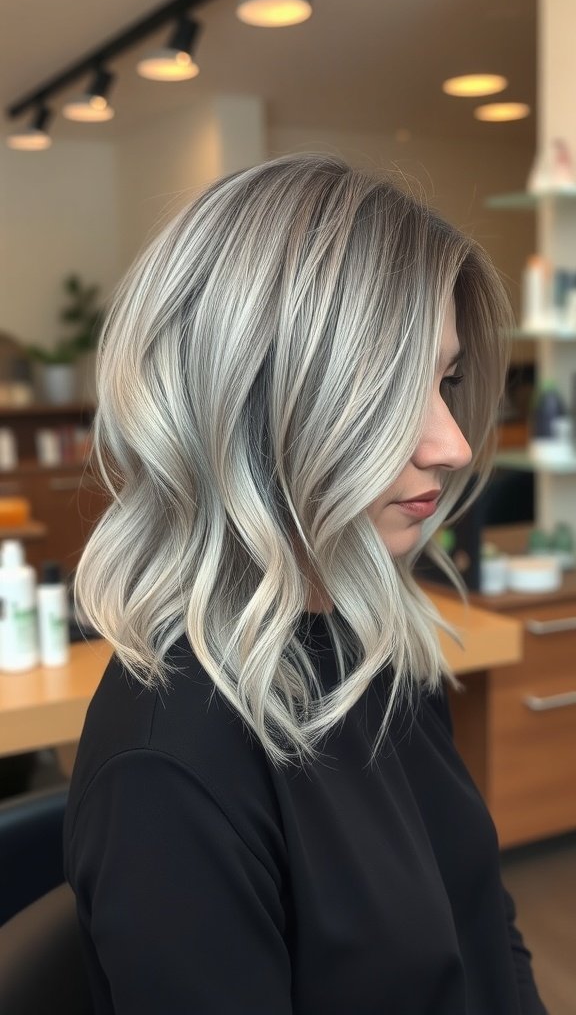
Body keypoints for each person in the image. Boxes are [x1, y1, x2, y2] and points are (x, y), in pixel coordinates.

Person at [63, 153, 548, 1014]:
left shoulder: (373, 640)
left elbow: (481, 919)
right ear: (255, 399)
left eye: (446, 382)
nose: (453, 444)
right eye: (393, 389)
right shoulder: (168, 771)